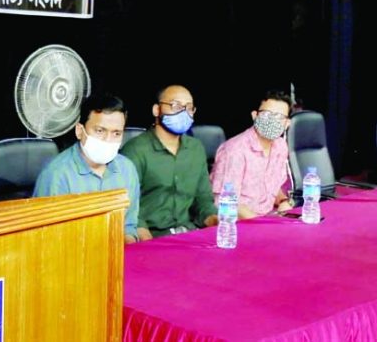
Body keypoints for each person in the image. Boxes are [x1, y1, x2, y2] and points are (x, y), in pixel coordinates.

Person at [33, 93, 140, 244]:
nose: (108, 140)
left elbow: (129, 226)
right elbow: (47, 238)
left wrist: (126, 244)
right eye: (100, 131)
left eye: (116, 133)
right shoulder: (57, 175)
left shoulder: (127, 170)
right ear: (79, 131)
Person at [121, 85, 217, 241]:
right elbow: (128, 208)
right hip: (153, 238)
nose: (183, 113)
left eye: (189, 108)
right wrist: (146, 242)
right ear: (156, 110)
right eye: (175, 106)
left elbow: (203, 200)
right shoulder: (135, 151)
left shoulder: (195, 148)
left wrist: (217, 220)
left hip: (190, 234)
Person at [209, 90, 293, 219]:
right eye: (267, 114)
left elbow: (273, 187)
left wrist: (283, 201)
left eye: (279, 117)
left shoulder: (281, 146)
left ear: (287, 123)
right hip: (236, 224)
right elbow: (226, 202)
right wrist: (260, 224)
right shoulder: (235, 150)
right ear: (255, 115)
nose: (272, 121)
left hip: (267, 218)